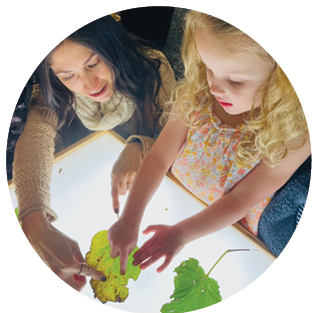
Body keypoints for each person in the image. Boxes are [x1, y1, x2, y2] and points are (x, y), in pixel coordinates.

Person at [107, 10, 311, 275]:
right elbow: (158, 158)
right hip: (175, 201)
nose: (214, 86)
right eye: (208, 68)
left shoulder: (294, 133)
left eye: (235, 80)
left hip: (226, 230)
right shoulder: (197, 95)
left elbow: (240, 199)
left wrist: (181, 235)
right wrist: (129, 219)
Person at [13, 14, 175, 291]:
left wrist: (140, 146)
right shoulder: (54, 94)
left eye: (93, 63)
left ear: (112, 46)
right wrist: (34, 219)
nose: (89, 84)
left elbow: (180, 135)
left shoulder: (154, 68)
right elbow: (36, 136)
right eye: (69, 76)